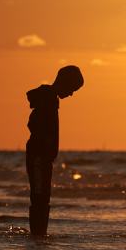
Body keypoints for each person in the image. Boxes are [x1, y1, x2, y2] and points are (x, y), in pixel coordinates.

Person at [25, 65, 84, 237]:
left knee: (42, 194)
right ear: (65, 82)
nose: (72, 94)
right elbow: (34, 123)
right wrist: (45, 142)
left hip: (43, 156)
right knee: (39, 194)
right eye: (72, 89)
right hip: (38, 155)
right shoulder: (48, 99)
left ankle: (39, 233)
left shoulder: (50, 98)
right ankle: (37, 234)